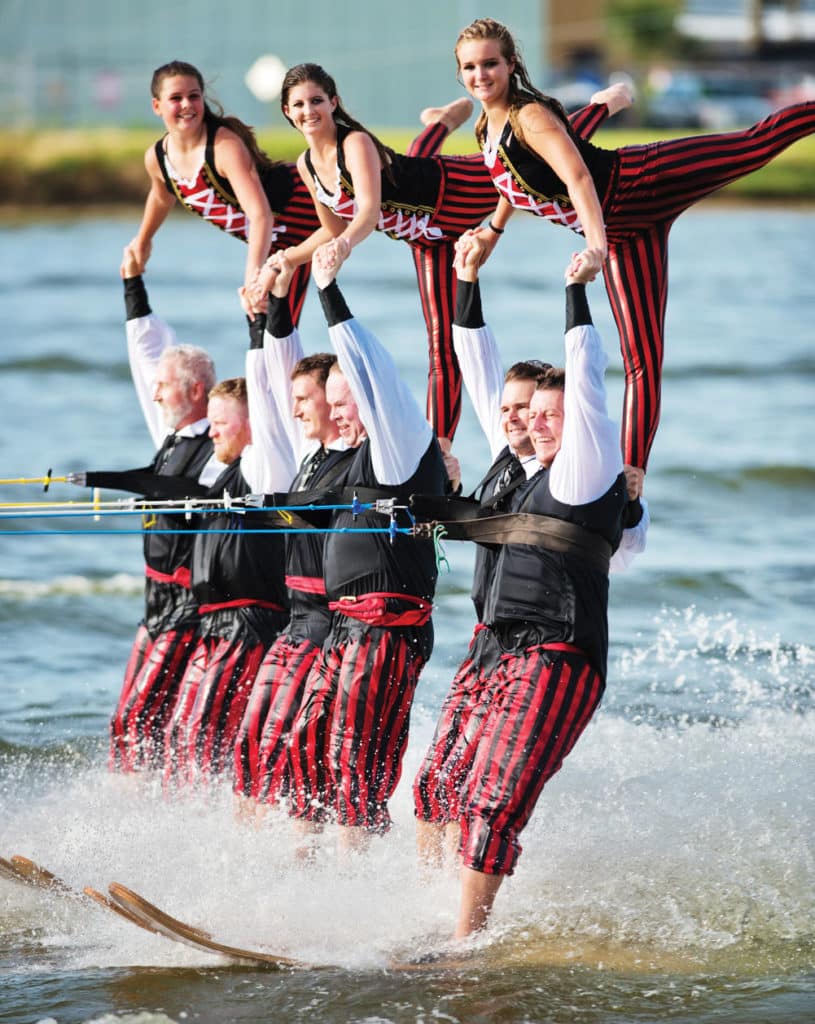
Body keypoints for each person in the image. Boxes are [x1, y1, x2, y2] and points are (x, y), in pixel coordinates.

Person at [454, 16, 815, 486]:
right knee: (642, 358)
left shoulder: (529, 116)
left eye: (490, 64)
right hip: (627, 234)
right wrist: (492, 231)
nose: (480, 75)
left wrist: (595, 245)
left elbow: (578, 176)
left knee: (756, 143)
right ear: (460, 73)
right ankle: (633, 472)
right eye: (470, 68)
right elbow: (511, 181)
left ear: (510, 64)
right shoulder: (488, 128)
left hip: (643, 181)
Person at [413, 234, 648, 871]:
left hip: (554, 645)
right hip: (491, 642)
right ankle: (420, 908)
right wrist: (467, 281)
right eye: (512, 411)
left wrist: (577, 291)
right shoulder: (512, 461)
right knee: (435, 788)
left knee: (491, 803)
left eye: (536, 410)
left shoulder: (581, 468)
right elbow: (476, 363)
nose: (519, 420)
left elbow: (590, 396)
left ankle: (462, 945)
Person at [258, 62, 630, 440]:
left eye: (316, 101)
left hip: (455, 195)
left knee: (537, 156)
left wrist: (344, 246)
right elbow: (332, 227)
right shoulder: (306, 164)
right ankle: (442, 446)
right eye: (299, 105)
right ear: (287, 111)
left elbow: (367, 213)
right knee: (441, 344)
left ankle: (601, 103)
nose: (309, 111)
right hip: (424, 237)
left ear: (334, 102)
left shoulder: (354, 143)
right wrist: (288, 257)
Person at [284, 257, 448, 853]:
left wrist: (328, 292)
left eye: (346, 401)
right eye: (333, 403)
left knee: (355, 762)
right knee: (305, 749)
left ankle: (356, 893)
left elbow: (372, 369)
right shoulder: (353, 461)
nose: (339, 412)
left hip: (385, 627)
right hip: (344, 629)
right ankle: (300, 875)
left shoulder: (399, 444)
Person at [126, 61, 492, 324]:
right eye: (176, 98)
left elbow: (260, 216)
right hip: (295, 231)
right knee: (405, 171)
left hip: (294, 224)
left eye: (194, 95)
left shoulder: (223, 147)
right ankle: (440, 123)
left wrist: (254, 274)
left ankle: (441, 123)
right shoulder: (156, 158)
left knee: (403, 172)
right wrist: (143, 240)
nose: (188, 104)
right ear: (157, 106)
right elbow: (162, 194)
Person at [232, 258, 355, 811]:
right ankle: (244, 860)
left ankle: (302, 862)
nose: (295, 409)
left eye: (305, 400)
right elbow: (270, 380)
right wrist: (266, 315)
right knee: (250, 743)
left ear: (333, 401)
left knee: (297, 752)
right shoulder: (308, 456)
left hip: (329, 625)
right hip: (294, 619)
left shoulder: (358, 462)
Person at [161, 295, 297, 787]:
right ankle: (179, 827)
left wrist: (258, 325)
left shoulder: (262, 467)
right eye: (211, 421)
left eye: (222, 423)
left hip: (249, 623)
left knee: (205, 733)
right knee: (181, 731)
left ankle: (217, 828)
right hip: (214, 620)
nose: (212, 431)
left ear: (251, 424)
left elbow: (266, 397)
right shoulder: (219, 471)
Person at [109, 247, 222, 773]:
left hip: (186, 602)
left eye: (166, 385)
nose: (153, 393)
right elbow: (145, 351)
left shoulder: (218, 450)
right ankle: (132, 811)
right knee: (126, 723)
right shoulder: (170, 435)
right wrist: (133, 284)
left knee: (142, 721)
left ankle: (158, 817)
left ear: (195, 391)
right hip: (153, 598)